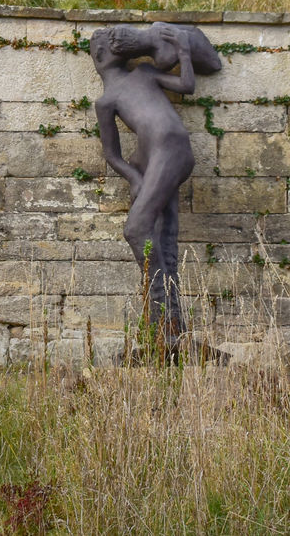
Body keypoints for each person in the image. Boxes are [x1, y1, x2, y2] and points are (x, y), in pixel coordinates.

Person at [91, 24, 210, 344]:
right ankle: (173, 330)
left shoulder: (143, 73)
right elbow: (111, 154)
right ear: (100, 56)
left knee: (135, 229)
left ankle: (161, 322)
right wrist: (135, 176)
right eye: (105, 44)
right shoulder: (106, 102)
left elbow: (187, 85)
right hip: (159, 156)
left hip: (170, 149)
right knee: (163, 237)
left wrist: (183, 51)